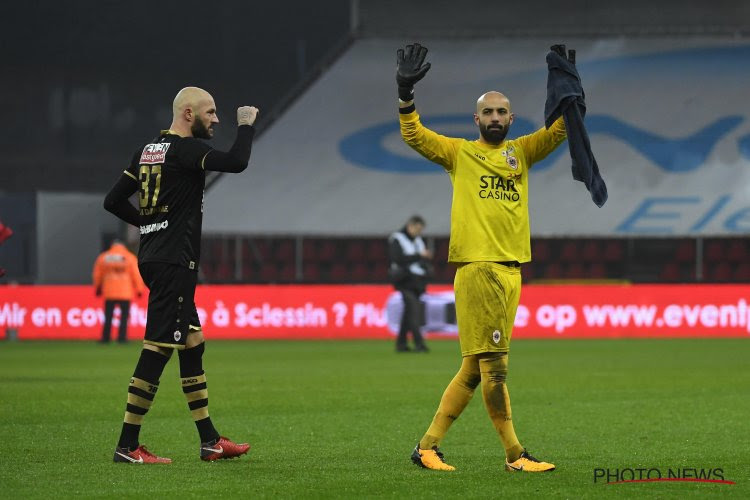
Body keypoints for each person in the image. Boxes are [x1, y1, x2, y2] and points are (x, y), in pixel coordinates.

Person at [397, 43, 571, 473]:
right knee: (495, 370)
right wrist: (405, 92)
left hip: (511, 272)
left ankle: (427, 447)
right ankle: (515, 454)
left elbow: (562, 130)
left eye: (501, 112)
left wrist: (568, 86)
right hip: (479, 269)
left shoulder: (523, 153)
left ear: (512, 119)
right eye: (487, 112)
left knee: (474, 369)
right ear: (476, 120)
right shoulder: (461, 154)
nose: (495, 118)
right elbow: (414, 134)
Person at [103, 86, 259, 464]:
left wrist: (150, 224)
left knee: (192, 343)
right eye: (211, 113)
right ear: (188, 114)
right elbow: (237, 162)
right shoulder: (188, 150)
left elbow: (113, 200)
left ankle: (210, 441)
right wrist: (247, 125)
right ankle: (127, 446)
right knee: (157, 347)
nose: (216, 119)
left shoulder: (147, 152)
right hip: (175, 261)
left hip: (155, 256)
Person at [388, 215, 432, 352]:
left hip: (417, 281)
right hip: (404, 280)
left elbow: (422, 262)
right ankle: (419, 344)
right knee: (414, 311)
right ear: (410, 226)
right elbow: (398, 259)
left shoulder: (418, 240)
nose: (419, 233)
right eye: (417, 229)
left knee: (409, 312)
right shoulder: (397, 239)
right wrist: (420, 256)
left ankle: (401, 345)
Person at [92, 240, 145, 343]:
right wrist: (139, 289)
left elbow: (98, 274)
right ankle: (122, 338)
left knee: (108, 316)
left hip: (109, 292)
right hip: (125, 292)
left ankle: (105, 338)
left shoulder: (104, 257)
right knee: (124, 317)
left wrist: (98, 288)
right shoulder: (129, 257)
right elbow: (136, 275)